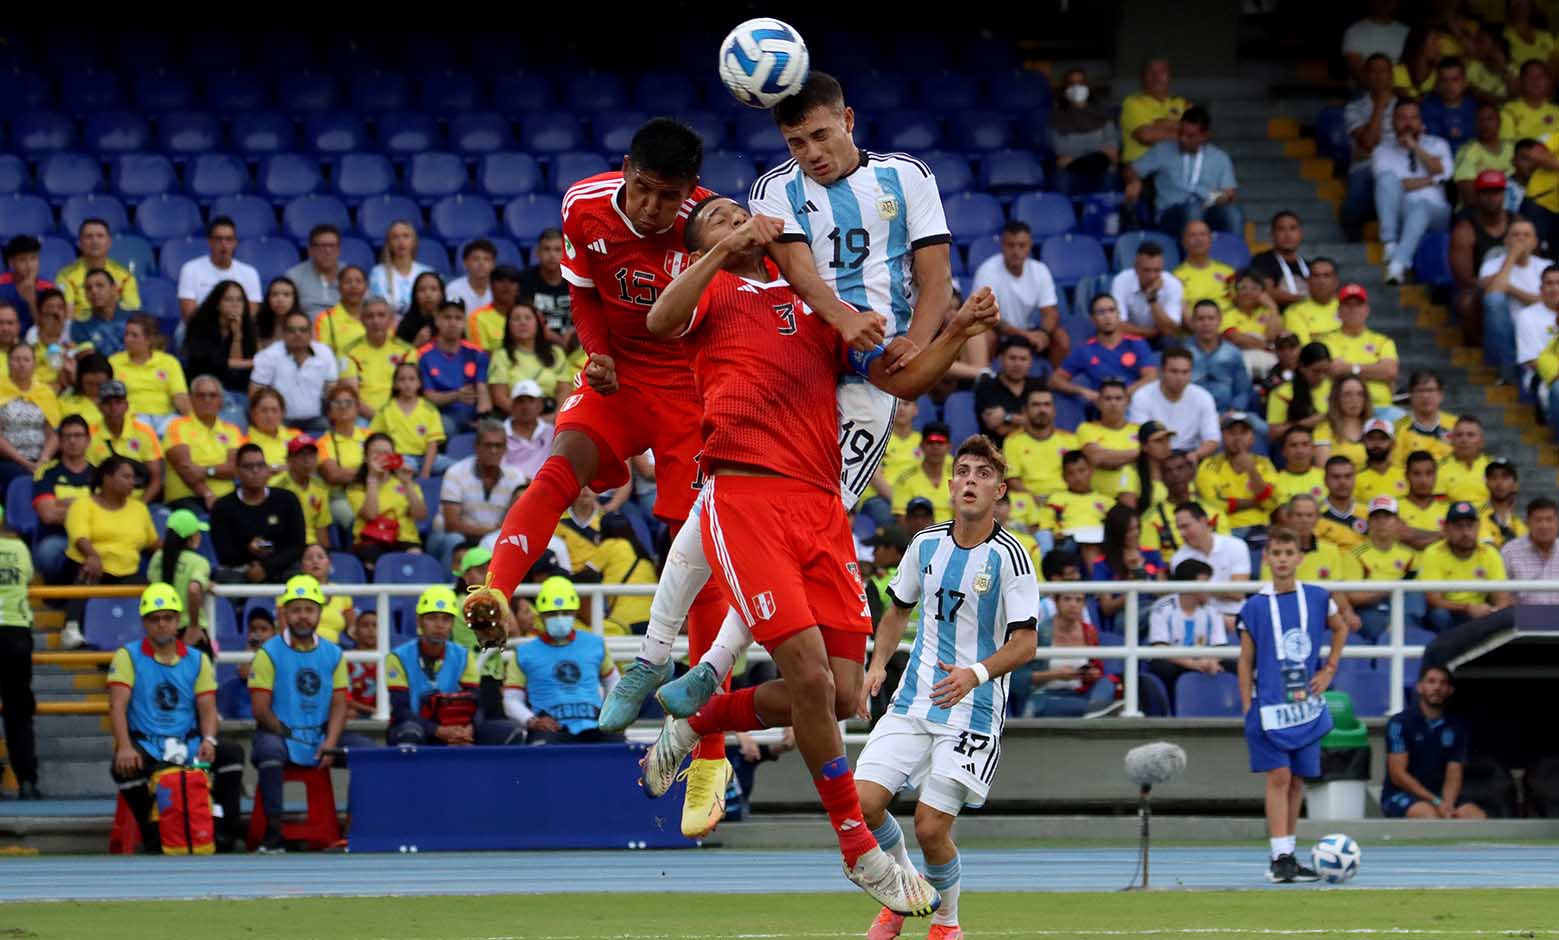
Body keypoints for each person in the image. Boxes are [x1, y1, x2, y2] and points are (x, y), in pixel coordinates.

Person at [632, 194, 994, 910]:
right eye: (715, 218)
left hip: (822, 507)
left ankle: (700, 719)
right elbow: (658, 320)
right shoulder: (713, 291)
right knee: (801, 670)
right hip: (747, 495)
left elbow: (900, 378)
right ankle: (857, 849)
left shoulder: (814, 304)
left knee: (842, 694)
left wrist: (954, 331)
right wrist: (713, 250)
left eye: (739, 210)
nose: (734, 218)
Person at [853, 435, 1037, 940]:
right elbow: (896, 612)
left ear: (999, 491)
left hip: (973, 709)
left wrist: (975, 672)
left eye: (983, 474)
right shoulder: (924, 544)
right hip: (913, 700)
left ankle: (946, 925)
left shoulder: (1011, 557)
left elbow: (1026, 644)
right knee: (862, 804)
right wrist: (876, 666)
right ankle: (902, 890)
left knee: (932, 828)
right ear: (951, 484)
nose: (971, 481)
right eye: (964, 472)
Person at [1237, 526, 1349, 884]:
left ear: (1300, 558)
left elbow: (1341, 627)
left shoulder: (1317, 596)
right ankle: (1279, 856)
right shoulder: (1254, 605)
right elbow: (1245, 660)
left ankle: (1288, 852)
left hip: (1305, 705)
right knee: (1279, 776)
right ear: (1266, 558)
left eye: (1289, 553)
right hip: (1269, 705)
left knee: (1298, 779)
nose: (1283, 560)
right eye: (1276, 553)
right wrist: (1245, 706)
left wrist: (1329, 669)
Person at [108, 583, 244, 853]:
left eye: (168, 618)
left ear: (177, 621)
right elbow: (117, 705)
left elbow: (207, 707)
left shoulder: (197, 660)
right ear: (145, 622)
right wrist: (124, 746)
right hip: (147, 744)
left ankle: (225, 830)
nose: (161, 624)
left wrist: (209, 740)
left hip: (188, 743)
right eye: (155, 619)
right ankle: (154, 834)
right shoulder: (128, 657)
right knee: (121, 765)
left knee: (231, 753)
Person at [248, 574, 367, 854]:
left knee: (368, 753)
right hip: (279, 733)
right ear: (285, 613)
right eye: (296, 609)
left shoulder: (334, 653)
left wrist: (330, 741)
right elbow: (260, 709)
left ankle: (354, 831)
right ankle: (273, 835)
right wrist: (292, 736)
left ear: (319, 614)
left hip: (321, 734)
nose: (303, 616)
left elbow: (340, 703)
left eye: (309, 609)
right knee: (269, 751)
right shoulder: (268, 653)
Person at [385, 585, 516, 746]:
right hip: (417, 726)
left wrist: (469, 728)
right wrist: (438, 730)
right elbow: (401, 711)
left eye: (446, 619)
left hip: (456, 727)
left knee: (509, 731)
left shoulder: (463, 656)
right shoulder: (398, 657)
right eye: (432, 618)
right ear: (419, 621)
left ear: (453, 623)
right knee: (410, 731)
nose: (439, 625)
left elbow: (477, 705)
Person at [502, 576, 622, 743]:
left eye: (566, 612)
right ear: (542, 615)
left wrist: (610, 712)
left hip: (595, 725)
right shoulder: (524, 653)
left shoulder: (596, 644)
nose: (559, 618)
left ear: (574, 613)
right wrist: (532, 721)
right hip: (549, 728)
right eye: (552, 614)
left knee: (616, 743)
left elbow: (614, 682)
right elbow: (511, 699)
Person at [1382, 666, 1487, 820]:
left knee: (1476, 816)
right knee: (1429, 816)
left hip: (1441, 798)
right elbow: (1398, 775)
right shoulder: (1399, 723)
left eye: (1443, 683)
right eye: (1431, 681)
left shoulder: (1456, 726)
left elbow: (1454, 773)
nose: (1437, 687)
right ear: (1420, 687)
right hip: (1402, 795)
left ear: (1450, 690)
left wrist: (1448, 805)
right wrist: (1435, 801)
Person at [1374, 100, 1454, 285]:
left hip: (1437, 212)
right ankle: (1391, 245)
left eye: (1413, 118)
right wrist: (1433, 180)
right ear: (1393, 122)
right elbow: (1396, 185)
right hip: (1401, 211)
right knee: (1386, 179)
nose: (1408, 123)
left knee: (1422, 206)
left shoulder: (1438, 144)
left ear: (1421, 121)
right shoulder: (1382, 150)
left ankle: (1398, 262)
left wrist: (1415, 147)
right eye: (1402, 118)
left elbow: (1443, 171)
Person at [971, 221, 1065, 368]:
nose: (1016, 251)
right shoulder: (987, 270)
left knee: (1061, 338)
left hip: (1030, 330)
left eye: (1021, 245)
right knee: (986, 337)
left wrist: (1044, 333)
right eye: (1011, 245)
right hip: (999, 331)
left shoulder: (1040, 270)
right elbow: (987, 317)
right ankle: (984, 382)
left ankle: (1056, 382)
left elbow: (1051, 312)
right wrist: (1025, 335)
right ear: (1002, 246)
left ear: (1030, 246)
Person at [210, 442, 307, 584]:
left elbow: (297, 545)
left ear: (267, 470)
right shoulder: (222, 506)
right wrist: (248, 549)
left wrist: (266, 567)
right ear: (237, 471)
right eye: (248, 466)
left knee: (300, 578)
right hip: (239, 569)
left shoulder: (287, 499)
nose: (255, 471)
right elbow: (224, 553)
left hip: (282, 567)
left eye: (260, 465)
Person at [437, 420, 526, 570]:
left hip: (497, 539)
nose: (493, 451)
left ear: (505, 449)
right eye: (488, 445)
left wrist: (494, 536)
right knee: (454, 540)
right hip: (463, 538)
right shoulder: (456, 472)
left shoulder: (515, 477)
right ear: (477, 447)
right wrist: (491, 532)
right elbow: (451, 525)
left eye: (498, 445)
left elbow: (518, 522)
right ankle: (454, 590)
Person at [1145, 558, 1228, 711]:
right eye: (1205, 583)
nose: (1209, 588)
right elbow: (1160, 647)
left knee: (1233, 664)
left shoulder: (1212, 611)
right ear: (1188, 585)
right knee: (1163, 667)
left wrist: (1211, 660)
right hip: (1177, 662)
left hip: (1204, 660)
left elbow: (1220, 645)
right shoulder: (1162, 608)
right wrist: (1194, 664)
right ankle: (1171, 711)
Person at [1419, 501, 1513, 632]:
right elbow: (1433, 600)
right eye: (1459, 526)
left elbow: (1502, 597)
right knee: (1439, 615)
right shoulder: (1433, 552)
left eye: (1470, 526)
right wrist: (1467, 607)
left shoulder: (1489, 553)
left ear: (1478, 527)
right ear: (1446, 529)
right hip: (1449, 611)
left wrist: (1494, 611)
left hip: (1479, 613)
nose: (1466, 532)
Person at [1049, 294, 1159, 403]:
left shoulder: (1136, 343)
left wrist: (1125, 394)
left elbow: (1151, 376)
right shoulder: (1085, 350)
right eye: (1101, 312)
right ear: (1092, 319)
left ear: (1118, 315)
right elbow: (1055, 380)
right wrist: (1082, 391)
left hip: (1134, 403)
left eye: (1111, 310)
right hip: (1102, 409)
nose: (1107, 316)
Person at [1020, 591, 1113, 719]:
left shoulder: (1089, 631)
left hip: (1082, 692)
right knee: (1089, 706)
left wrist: (1091, 674)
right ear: (1056, 603)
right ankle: (1097, 710)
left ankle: (1095, 710)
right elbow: (1018, 678)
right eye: (1067, 599)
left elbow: (1097, 668)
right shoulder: (1039, 633)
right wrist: (1056, 675)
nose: (1073, 605)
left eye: (1078, 600)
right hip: (1048, 695)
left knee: (1107, 683)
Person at [0, 504, 38, 798]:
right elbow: (26, 576)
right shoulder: (19, 548)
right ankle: (27, 779)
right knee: (19, 711)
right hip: (16, 632)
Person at [162, 375, 242, 511]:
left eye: (212, 395)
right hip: (186, 498)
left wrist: (206, 470)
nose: (207, 400)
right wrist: (208, 494)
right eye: (201, 395)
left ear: (221, 401)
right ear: (191, 399)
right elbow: (185, 469)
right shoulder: (176, 426)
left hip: (226, 498)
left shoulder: (232, 430)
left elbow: (236, 468)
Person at [346, 432, 427, 568]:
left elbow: (420, 516)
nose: (383, 457)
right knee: (372, 562)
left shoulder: (406, 482)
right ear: (366, 458)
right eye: (377, 453)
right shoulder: (356, 488)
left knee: (415, 555)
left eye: (387, 453)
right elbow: (370, 515)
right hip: (371, 541)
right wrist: (372, 478)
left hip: (404, 540)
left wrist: (407, 483)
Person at [250, 310, 338, 432]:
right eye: (292, 330)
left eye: (303, 330)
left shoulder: (324, 352)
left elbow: (332, 391)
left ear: (311, 333)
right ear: (283, 333)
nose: (298, 334)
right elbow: (255, 392)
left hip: (317, 419)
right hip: (281, 421)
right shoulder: (269, 355)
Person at [1479, 218, 1549, 371]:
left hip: (1539, 330)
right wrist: (1512, 257)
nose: (1521, 239)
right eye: (1516, 235)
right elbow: (1492, 296)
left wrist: (1510, 289)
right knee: (1494, 299)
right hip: (1505, 332)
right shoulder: (1491, 265)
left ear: (1535, 242)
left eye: (1526, 235)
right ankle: (1510, 369)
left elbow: (1549, 302)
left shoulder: (1546, 267)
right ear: (1506, 240)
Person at [1126, 348, 1219, 461]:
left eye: (1185, 372)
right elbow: (1140, 438)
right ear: (1161, 371)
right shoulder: (1142, 396)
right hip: (1153, 457)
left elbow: (1212, 439)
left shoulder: (1203, 397)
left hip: (1190, 456)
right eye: (1174, 371)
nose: (1179, 378)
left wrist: (1196, 455)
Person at [1348, 496, 1421, 641]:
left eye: (1387, 517)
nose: (1381, 522)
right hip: (1371, 608)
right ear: (1369, 522)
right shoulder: (1355, 554)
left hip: (1403, 607)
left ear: (1397, 522)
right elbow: (1352, 596)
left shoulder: (1410, 554)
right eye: (1376, 518)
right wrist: (1386, 591)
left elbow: (1417, 596)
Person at [1321, 284, 1401, 416]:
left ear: (1366, 310)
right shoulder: (1327, 341)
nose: (1353, 310)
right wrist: (1375, 369)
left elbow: (1390, 371)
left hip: (1381, 407)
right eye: (1348, 305)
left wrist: (1351, 368)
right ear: (1339, 311)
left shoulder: (1382, 341)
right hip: (1342, 408)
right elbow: (1336, 370)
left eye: (1358, 305)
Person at [1341, 55, 1398, 239]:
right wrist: (1380, 107)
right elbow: (1368, 142)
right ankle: (1355, 243)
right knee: (1356, 197)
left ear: (1391, 75)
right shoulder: (1354, 108)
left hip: (1399, 167)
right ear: (1365, 76)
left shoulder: (1404, 106)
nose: (1378, 76)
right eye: (1373, 71)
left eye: (1383, 71)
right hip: (1367, 166)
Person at [1195, 412, 1277, 535]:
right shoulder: (1209, 465)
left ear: (1252, 438)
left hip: (1258, 528)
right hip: (1223, 529)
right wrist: (1254, 503)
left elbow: (1271, 502)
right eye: (1232, 433)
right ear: (1222, 436)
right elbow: (1213, 503)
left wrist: (1251, 470)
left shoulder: (1264, 464)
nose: (1238, 438)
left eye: (1243, 433)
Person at [181, 281, 258, 414]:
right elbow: (210, 362)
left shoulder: (247, 328)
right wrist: (250, 363)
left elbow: (237, 370)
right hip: (204, 385)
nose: (235, 304)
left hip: (235, 389)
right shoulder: (199, 325)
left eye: (239, 300)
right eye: (228, 300)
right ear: (217, 303)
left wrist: (237, 336)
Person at [1170, 501, 1252, 625]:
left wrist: (1201, 586)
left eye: (1186, 526)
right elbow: (1193, 599)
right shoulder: (1178, 559)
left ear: (1203, 521)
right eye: (1179, 528)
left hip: (1239, 617)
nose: (1181, 533)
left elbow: (1238, 592)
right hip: (1201, 621)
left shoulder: (1236, 545)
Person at [417, 301, 491, 436]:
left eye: (458, 318)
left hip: (472, 416)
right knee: (445, 426)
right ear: (437, 320)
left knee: (494, 429)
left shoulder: (477, 354)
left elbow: (482, 391)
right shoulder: (423, 355)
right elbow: (429, 397)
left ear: (464, 322)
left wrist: (483, 418)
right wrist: (456, 395)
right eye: (447, 317)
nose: (452, 323)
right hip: (439, 417)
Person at [146, 509, 214, 651]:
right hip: (188, 630)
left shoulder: (157, 558)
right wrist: (194, 626)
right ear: (192, 538)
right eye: (197, 532)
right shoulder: (199, 562)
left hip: (162, 631)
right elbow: (194, 589)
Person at [87, 380, 164, 504]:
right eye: (107, 403)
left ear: (126, 405)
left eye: (118, 402)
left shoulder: (145, 432)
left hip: (140, 500)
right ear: (99, 407)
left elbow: (156, 479)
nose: (113, 408)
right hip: (103, 503)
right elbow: (89, 478)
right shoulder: (89, 435)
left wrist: (140, 507)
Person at [109, 316, 189, 433]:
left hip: (166, 417)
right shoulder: (114, 362)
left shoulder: (169, 362)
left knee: (179, 429)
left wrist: (193, 422)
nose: (128, 339)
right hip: (132, 417)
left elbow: (180, 396)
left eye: (134, 335)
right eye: (126, 334)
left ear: (149, 339)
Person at [340, 297, 416, 419]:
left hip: (401, 414)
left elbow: (411, 391)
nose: (376, 321)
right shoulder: (348, 353)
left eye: (381, 315)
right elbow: (352, 397)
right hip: (364, 416)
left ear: (391, 319)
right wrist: (381, 420)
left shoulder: (407, 351)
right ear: (362, 320)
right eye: (370, 316)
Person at [368, 361, 446, 477]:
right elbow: (374, 439)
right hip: (400, 458)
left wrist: (426, 471)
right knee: (407, 467)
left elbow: (432, 444)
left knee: (455, 467)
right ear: (395, 384)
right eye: (402, 379)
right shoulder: (386, 410)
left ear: (419, 383)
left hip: (426, 457)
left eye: (412, 379)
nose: (407, 384)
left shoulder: (430, 410)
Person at [1001, 388, 1076, 508]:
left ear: (1054, 410)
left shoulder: (1070, 440)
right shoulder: (1012, 441)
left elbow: (1077, 476)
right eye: (1036, 405)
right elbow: (1012, 479)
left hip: (1064, 500)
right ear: (1025, 411)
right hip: (1027, 501)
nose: (1042, 410)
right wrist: (1033, 499)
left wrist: (1060, 499)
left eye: (1047, 404)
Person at [1050, 67, 1119, 195]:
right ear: (1065, 91)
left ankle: (1105, 214)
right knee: (1060, 175)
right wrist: (1098, 149)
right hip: (1072, 167)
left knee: (1110, 170)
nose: (1077, 88)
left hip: (1096, 164)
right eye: (1072, 84)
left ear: (1088, 88)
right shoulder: (1057, 117)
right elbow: (1059, 148)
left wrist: (1075, 154)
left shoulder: (1102, 113)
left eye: (1081, 83)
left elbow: (1112, 145)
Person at [488, 299, 566, 412]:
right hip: (516, 418)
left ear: (537, 324)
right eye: (516, 319)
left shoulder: (556, 353)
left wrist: (555, 417)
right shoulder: (500, 356)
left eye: (528, 318)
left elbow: (564, 390)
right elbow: (499, 396)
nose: (522, 322)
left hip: (553, 417)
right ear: (508, 326)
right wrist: (527, 417)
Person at [177, 217, 261, 319]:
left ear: (235, 243)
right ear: (210, 242)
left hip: (236, 329)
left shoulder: (250, 273)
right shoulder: (190, 269)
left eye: (228, 239)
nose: (223, 244)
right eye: (218, 239)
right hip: (199, 330)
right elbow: (189, 315)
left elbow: (251, 315)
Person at [1187, 299, 1258, 417]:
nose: (1206, 324)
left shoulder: (1233, 354)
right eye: (1201, 319)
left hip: (1229, 416)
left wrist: (1234, 411)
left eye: (1211, 318)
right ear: (1193, 322)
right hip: (1192, 415)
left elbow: (1243, 391)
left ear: (1219, 321)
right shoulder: (1183, 353)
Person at [56, 219, 141, 315]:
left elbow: (131, 312)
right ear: (79, 243)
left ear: (109, 243)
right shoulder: (65, 276)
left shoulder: (125, 277)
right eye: (89, 236)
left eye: (100, 236)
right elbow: (67, 316)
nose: (94, 241)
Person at [0, 346, 56, 491]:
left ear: (34, 364)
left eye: (26, 359)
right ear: (8, 363)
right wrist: (25, 463)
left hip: (41, 459)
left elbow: (53, 433)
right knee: (22, 479)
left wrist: (43, 460)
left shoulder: (45, 392)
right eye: (16, 359)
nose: (21, 364)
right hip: (8, 459)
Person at [1076, 379, 1140, 501]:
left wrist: (1109, 456)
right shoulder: (1086, 428)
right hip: (1096, 499)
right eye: (1108, 399)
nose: (1113, 403)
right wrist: (1138, 454)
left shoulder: (1139, 430)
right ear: (1098, 403)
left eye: (1118, 398)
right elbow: (1097, 458)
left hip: (1135, 499)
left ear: (1128, 402)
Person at [973, 337, 1045, 443]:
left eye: (1023, 359)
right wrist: (1031, 423)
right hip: (996, 450)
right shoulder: (987, 385)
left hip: (1036, 447)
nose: (1018, 364)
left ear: (1030, 362)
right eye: (1012, 358)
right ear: (1001, 359)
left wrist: (1006, 416)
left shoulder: (1038, 386)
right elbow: (996, 426)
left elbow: (1044, 421)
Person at [1110, 240, 1185, 340]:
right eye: (1146, 270)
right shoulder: (1121, 281)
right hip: (1130, 336)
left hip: (1162, 338)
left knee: (1172, 340)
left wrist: (1152, 300)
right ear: (1136, 267)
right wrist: (1151, 333)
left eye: (1157, 270)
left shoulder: (1173, 284)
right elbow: (1117, 325)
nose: (1152, 276)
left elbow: (1170, 330)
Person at [1120, 58, 1188, 165]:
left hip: (1175, 169)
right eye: (1151, 72)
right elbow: (1146, 136)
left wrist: (1160, 124)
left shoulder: (1183, 103)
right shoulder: (1132, 103)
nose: (1157, 77)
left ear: (1170, 76)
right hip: (1139, 171)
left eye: (1162, 72)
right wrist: (1182, 129)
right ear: (1143, 77)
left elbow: (1199, 134)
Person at [1221, 268, 1284, 378]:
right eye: (1243, 288)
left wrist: (1273, 308)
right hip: (1239, 359)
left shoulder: (1268, 312)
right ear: (1235, 292)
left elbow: (1274, 336)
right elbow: (1237, 339)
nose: (1248, 293)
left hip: (1268, 360)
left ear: (1262, 293)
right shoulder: (1227, 314)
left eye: (1254, 288)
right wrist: (1269, 346)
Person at [275, 435, 332, 548]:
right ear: (289, 460)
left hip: (313, 546)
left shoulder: (320, 487)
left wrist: (325, 553)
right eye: (301, 455)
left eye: (311, 455)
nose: (307, 460)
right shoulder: (277, 487)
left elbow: (321, 528)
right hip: (287, 545)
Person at [1452, 107, 1515, 209]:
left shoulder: (1512, 148)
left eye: (1490, 119)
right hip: (1478, 211)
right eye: (1480, 120)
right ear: (1474, 124)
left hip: (1513, 207)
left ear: (1499, 122)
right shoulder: (1467, 151)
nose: (1485, 124)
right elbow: (1469, 198)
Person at [1500, 496, 1559, 604]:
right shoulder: (1510, 551)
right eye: (1538, 520)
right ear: (1527, 523)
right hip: (1523, 617)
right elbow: (1500, 595)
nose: (1544, 525)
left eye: (1549, 520)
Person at [1174, 220, 1235, 321]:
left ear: (1210, 239)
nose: (1199, 239)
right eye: (1192, 235)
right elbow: (1183, 315)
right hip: (1197, 332)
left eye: (1203, 234)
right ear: (1184, 242)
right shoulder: (1176, 278)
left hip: (1231, 330)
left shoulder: (1229, 272)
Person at [1249, 212, 1310, 311]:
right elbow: (1267, 292)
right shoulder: (1262, 261)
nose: (1288, 235)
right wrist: (1305, 299)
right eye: (1281, 229)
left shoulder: (1309, 265)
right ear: (1272, 235)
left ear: (1300, 234)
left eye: (1292, 229)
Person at [369, 221, 432, 315]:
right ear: (389, 244)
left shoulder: (427, 272)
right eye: (395, 237)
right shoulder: (378, 273)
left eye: (406, 236)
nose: (401, 241)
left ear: (414, 242)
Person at [1393, 373, 1456, 465]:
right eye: (1420, 391)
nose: (1425, 396)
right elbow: (1396, 466)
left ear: (1441, 395)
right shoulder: (1397, 428)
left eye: (1430, 390)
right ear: (1410, 395)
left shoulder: (1456, 426)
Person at [69, 268, 133, 358]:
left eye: (100, 286)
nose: (94, 291)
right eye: (88, 288)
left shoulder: (134, 319)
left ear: (114, 289)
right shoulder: (80, 326)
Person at [1343, 0, 1410, 83]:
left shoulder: (1407, 32)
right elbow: (1357, 71)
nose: (1385, 4)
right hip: (1365, 89)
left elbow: (1411, 67)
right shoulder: (1354, 31)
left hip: (1401, 87)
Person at [298, 543, 354, 644]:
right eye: (309, 558)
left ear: (329, 564)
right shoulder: (295, 590)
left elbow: (352, 629)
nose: (315, 561)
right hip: (302, 650)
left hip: (333, 652)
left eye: (320, 557)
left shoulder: (341, 592)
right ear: (302, 566)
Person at [1314, 375, 1372, 471]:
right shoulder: (1324, 429)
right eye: (1347, 394)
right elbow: (1323, 469)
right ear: (1336, 398)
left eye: (1360, 394)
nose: (1354, 399)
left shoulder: (1373, 427)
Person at [1421, 57, 1480, 149]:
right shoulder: (1426, 108)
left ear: (1464, 82)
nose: (1449, 86)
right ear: (1437, 83)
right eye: (1444, 80)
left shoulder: (1476, 107)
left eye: (1455, 80)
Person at [520, 228, 571, 334]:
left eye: (557, 250)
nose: (552, 255)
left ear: (566, 253)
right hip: (538, 341)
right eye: (547, 249)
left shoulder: (576, 279)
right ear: (537, 252)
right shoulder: (524, 279)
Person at [1315, 455, 1369, 553]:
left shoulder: (1369, 513)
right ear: (1325, 480)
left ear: (1354, 479)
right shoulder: (1314, 514)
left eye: (1348, 476)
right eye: (1336, 477)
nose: (1342, 482)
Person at [285, 224, 342, 315]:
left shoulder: (351, 275)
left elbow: (367, 305)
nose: (327, 251)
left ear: (339, 250)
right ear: (310, 250)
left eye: (332, 246)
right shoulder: (294, 276)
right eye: (322, 246)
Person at [465, 264, 523, 353]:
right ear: (491, 285)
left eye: (512, 281)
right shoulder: (477, 318)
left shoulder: (528, 317)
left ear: (518, 288)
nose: (506, 285)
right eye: (500, 280)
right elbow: (480, 355)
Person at [0, 235, 56, 328]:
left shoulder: (48, 288)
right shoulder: (1, 283)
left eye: (33, 258)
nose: (29, 266)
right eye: (22, 260)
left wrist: (32, 301)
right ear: (11, 263)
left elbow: (47, 329)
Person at [503, 379, 554, 481]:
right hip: (512, 490)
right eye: (520, 401)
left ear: (540, 405)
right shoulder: (500, 433)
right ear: (512, 406)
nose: (525, 406)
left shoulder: (552, 432)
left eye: (531, 401)